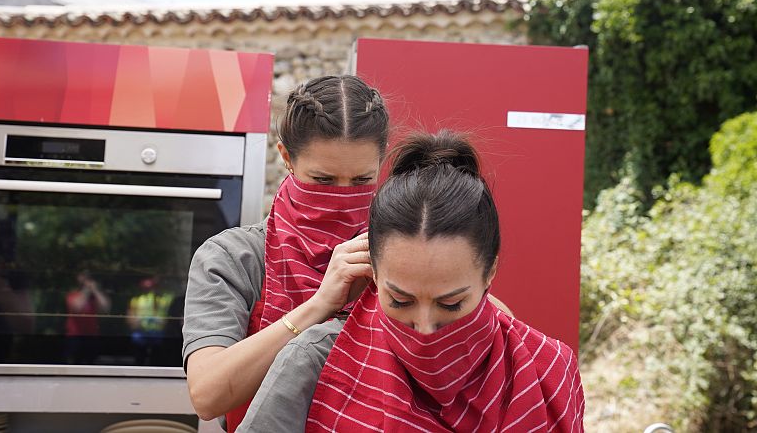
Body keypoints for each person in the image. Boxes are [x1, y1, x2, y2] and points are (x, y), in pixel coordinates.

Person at [242, 130, 584, 432]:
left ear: (490, 272)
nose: (423, 328)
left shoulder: (545, 369)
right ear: (373, 271)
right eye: (401, 301)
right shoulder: (316, 359)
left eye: (450, 304)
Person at [182, 75, 390, 429]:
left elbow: (489, 328)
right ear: (286, 159)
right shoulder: (234, 257)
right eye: (322, 180)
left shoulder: (395, 252)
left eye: (361, 181)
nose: (341, 196)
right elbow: (208, 395)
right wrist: (321, 305)